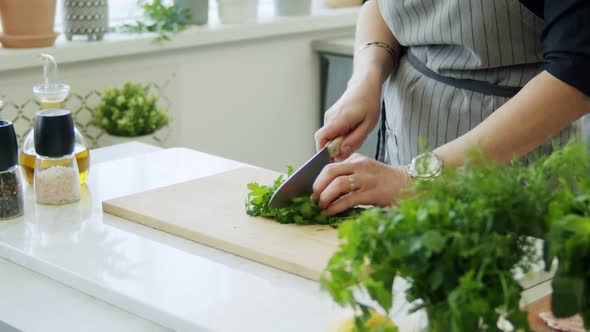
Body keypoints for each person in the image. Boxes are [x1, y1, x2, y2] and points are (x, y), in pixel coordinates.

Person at [312, 0, 590, 216]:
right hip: (400, 154)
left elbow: (574, 77)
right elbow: (379, 5)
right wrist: (365, 78)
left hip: (516, 177)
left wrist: (413, 178)